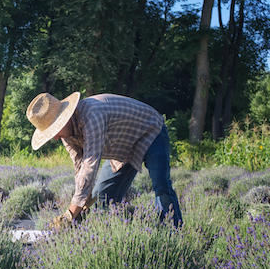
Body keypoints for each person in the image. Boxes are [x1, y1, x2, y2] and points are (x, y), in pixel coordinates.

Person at [26, 92, 183, 228]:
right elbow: (79, 167)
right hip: (122, 148)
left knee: (161, 186)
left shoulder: (92, 114)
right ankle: (132, 232)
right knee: (101, 200)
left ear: (64, 118)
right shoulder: (65, 134)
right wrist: (82, 201)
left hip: (150, 130)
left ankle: (174, 233)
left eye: (54, 129)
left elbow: (90, 163)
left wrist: (70, 213)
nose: (55, 137)